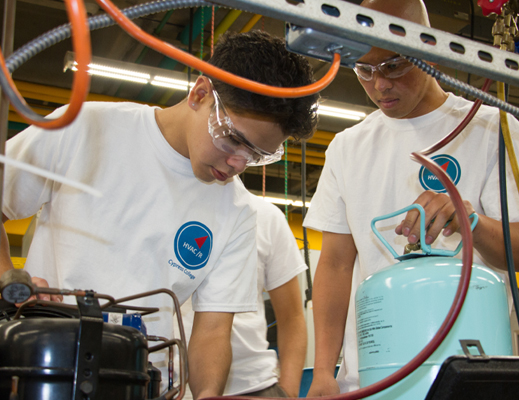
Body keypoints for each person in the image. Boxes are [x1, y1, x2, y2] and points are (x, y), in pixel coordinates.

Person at [0, 30, 318, 399]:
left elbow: (213, 331)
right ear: (200, 95)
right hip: (47, 369)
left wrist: (207, 395)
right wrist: (9, 277)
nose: (237, 164)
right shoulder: (87, 129)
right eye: (233, 140)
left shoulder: (239, 212)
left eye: (256, 156)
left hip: (144, 384)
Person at [304, 0, 519, 396]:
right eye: (365, 69)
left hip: (470, 377)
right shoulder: (346, 148)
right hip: (372, 379)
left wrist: (472, 222)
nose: (379, 84)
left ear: (428, 49)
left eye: (393, 66)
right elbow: (334, 265)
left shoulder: (493, 129)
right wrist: (322, 374)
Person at [179, 192, 308, 398]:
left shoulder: (266, 217)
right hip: (166, 384)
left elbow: (291, 318)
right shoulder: (166, 207)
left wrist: (289, 393)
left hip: (253, 386)